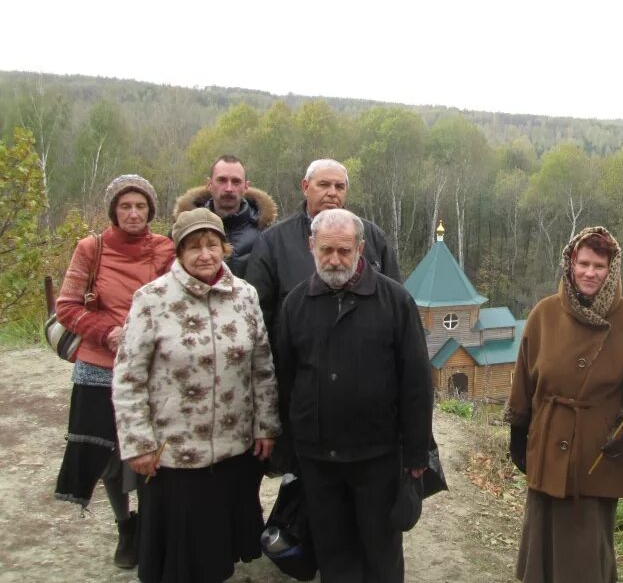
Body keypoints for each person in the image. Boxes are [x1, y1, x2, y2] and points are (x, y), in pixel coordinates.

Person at [112, 208, 281, 583]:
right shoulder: (152, 299)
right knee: (182, 558)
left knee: (218, 552)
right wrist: (137, 443)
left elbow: (262, 366)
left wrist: (265, 426)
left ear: (224, 247)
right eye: (193, 247)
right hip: (174, 454)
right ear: (178, 252)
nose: (204, 254)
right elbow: (128, 377)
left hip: (233, 450)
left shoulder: (245, 296)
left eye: (211, 245)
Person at [275, 208, 432, 582]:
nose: (335, 260)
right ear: (311, 247)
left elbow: (416, 381)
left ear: (360, 248)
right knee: (333, 550)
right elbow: (284, 378)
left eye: (344, 251)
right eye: (326, 250)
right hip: (318, 457)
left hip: (377, 454)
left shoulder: (394, 301)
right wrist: (287, 447)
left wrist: (416, 452)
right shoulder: (295, 304)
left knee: (381, 551)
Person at [504, 226, 623, 583]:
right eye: (584, 264)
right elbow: (525, 379)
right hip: (547, 446)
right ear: (570, 264)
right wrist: (518, 431)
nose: (590, 273)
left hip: (598, 454)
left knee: (586, 556)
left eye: (600, 266)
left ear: (612, 270)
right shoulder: (544, 314)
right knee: (542, 550)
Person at [54, 174, 175, 569]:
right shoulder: (92, 248)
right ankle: (126, 528)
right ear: (113, 210)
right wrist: (107, 332)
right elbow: (68, 305)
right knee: (107, 454)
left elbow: (178, 298)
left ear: (151, 210)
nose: (134, 213)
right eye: (126, 206)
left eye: (141, 206)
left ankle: (151, 526)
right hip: (100, 363)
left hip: (152, 366)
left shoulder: (164, 249)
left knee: (149, 451)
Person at [245, 158, 401, 338]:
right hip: (300, 357)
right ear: (305, 187)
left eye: (339, 187)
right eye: (324, 185)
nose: (332, 193)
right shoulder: (273, 241)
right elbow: (258, 313)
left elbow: (395, 302)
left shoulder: (372, 237)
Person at [172, 155, 278, 278]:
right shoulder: (183, 231)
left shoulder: (269, 235)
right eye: (222, 180)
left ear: (246, 186)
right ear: (209, 184)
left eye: (236, 181)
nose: (229, 188)